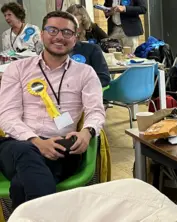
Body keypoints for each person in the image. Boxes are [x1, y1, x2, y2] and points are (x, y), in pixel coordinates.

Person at [0, 11, 105, 209]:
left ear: (75, 38)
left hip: (61, 148)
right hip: (17, 144)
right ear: (42, 34)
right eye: (52, 30)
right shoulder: (17, 69)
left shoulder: (85, 73)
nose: (59, 36)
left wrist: (87, 131)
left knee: (21, 184)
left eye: (67, 32)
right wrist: (36, 142)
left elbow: (96, 111)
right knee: (25, 150)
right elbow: (7, 115)